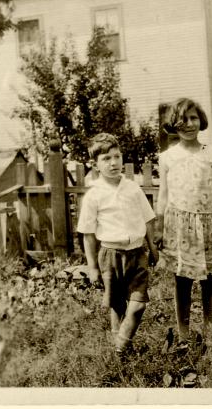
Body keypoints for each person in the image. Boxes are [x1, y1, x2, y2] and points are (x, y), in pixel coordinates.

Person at [156, 98, 212, 347]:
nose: (188, 124)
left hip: (208, 225)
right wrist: (159, 226)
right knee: (182, 280)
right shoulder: (167, 158)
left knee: (209, 279)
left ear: (201, 120)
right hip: (180, 227)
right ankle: (184, 334)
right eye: (183, 119)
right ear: (173, 124)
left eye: (193, 118)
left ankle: (209, 331)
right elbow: (164, 195)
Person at [77, 133, 159, 356]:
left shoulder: (132, 188)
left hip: (136, 254)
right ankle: (121, 353)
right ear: (96, 164)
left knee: (139, 304)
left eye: (117, 156)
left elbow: (148, 219)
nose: (113, 163)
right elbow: (88, 234)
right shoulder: (94, 195)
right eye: (106, 159)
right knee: (117, 305)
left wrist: (152, 248)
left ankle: (120, 345)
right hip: (110, 255)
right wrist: (93, 267)